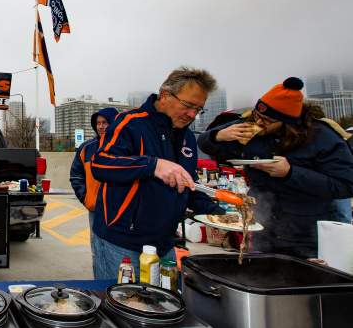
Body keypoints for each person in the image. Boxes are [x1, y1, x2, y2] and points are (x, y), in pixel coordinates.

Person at [90, 67, 223, 280]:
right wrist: (153, 165)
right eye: (188, 105)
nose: (192, 114)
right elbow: (101, 164)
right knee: (120, 306)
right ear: (165, 95)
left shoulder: (187, 137)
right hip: (123, 242)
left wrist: (217, 213)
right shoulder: (131, 123)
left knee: (162, 307)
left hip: (164, 244)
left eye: (198, 109)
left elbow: (189, 183)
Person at [198, 77, 353, 257]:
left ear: (287, 122)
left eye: (267, 120)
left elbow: (346, 185)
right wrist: (217, 136)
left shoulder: (322, 137)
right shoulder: (248, 125)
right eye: (257, 115)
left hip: (307, 235)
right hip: (261, 227)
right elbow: (205, 143)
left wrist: (291, 173)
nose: (259, 123)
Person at [69, 107, 118, 276]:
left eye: (105, 122)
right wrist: (86, 197)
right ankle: (100, 287)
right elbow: (76, 174)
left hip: (119, 210)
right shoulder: (87, 148)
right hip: (96, 210)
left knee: (118, 252)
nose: (101, 126)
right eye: (98, 123)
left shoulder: (124, 146)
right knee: (97, 250)